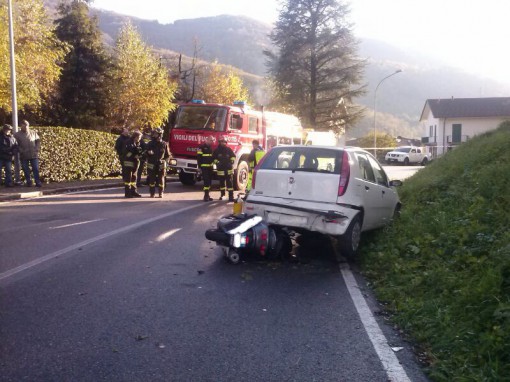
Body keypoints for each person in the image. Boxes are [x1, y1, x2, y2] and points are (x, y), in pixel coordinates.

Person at [15, 120, 42, 187]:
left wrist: (37, 148)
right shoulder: (17, 135)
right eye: (25, 125)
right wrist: (21, 150)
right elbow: (15, 145)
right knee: (26, 169)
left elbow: (38, 141)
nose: (26, 127)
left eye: (27, 125)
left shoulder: (33, 133)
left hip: (33, 154)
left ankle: (37, 182)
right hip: (24, 155)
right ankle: (29, 182)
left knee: (35, 169)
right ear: (21, 126)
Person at [145, 127, 170, 198]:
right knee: (151, 180)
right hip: (151, 163)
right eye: (154, 134)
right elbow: (145, 153)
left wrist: (165, 162)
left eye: (156, 134)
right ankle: (152, 193)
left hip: (160, 164)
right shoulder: (150, 144)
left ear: (160, 135)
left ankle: (160, 193)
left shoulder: (164, 144)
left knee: (161, 179)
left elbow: (167, 155)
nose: (154, 135)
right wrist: (148, 152)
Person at [212, 136, 236, 201]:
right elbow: (213, 158)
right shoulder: (216, 151)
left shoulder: (229, 149)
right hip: (221, 170)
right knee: (222, 184)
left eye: (224, 142)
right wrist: (217, 162)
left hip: (228, 170)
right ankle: (222, 196)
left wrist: (231, 161)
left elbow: (233, 156)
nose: (223, 143)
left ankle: (231, 197)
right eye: (222, 142)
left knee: (230, 184)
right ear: (219, 142)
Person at [121, 130, 144, 198]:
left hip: (135, 162)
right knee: (128, 178)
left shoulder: (137, 143)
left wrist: (139, 154)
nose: (140, 139)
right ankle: (127, 193)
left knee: (134, 178)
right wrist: (134, 154)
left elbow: (138, 151)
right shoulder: (128, 142)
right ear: (135, 137)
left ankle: (133, 191)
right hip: (128, 162)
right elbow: (126, 153)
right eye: (139, 137)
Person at [197, 136, 214, 201]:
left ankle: (208, 195)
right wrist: (199, 167)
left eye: (212, 140)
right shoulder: (201, 147)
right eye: (211, 140)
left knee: (209, 182)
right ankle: (206, 196)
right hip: (204, 168)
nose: (212, 142)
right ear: (207, 140)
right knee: (206, 182)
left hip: (210, 167)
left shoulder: (210, 148)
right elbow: (199, 158)